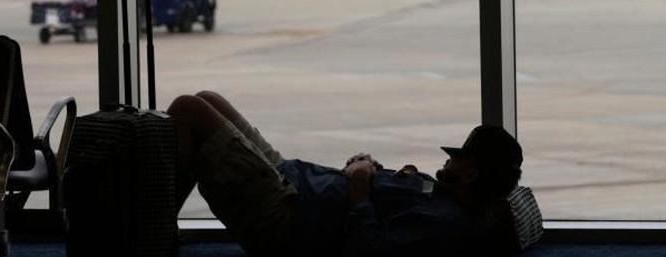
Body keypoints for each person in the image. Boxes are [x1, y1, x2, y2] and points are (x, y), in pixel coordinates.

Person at [169, 91, 523, 257]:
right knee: (209, 99)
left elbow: (366, 251)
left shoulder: (445, 222)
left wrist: (358, 187)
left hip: (286, 214)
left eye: (457, 158)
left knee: (187, 109)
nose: (447, 162)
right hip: (293, 179)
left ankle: (152, 232)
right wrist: (369, 172)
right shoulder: (444, 201)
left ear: (472, 174)